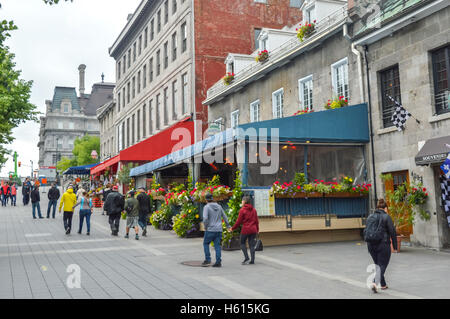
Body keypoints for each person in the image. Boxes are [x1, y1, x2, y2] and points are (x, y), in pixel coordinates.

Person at [367, 198, 398, 293]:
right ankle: (374, 283)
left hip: (370, 244)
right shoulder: (386, 217)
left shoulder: (370, 216)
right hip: (383, 244)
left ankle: (383, 284)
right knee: (382, 265)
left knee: (378, 265)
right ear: (385, 208)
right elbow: (392, 232)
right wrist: (395, 246)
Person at [202, 193, 231, 268]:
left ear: (206, 200)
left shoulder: (206, 207)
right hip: (218, 229)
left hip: (210, 229)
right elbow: (225, 217)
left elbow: (205, 219)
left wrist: (205, 227)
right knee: (217, 245)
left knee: (206, 243)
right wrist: (228, 226)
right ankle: (218, 261)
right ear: (212, 198)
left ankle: (208, 260)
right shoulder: (219, 206)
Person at [229, 196, 259, 265]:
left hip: (246, 229)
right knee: (251, 245)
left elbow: (238, 222)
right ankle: (252, 260)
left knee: (242, 243)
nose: (241, 202)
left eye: (242, 201)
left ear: (244, 201)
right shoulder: (254, 210)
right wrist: (257, 229)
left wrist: (232, 228)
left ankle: (246, 257)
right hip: (253, 229)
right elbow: (256, 221)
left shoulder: (242, 210)